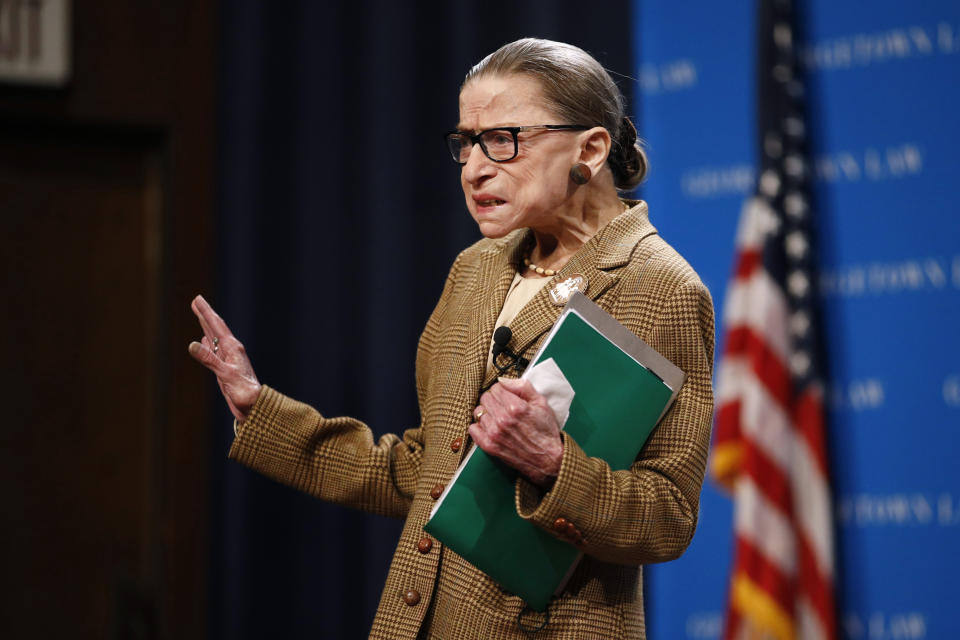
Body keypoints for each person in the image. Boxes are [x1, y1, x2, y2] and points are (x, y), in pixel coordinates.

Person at [189, 37, 714, 640]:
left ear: (590, 149)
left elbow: (668, 518)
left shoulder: (660, 287)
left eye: (503, 140)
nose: (474, 168)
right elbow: (427, 469)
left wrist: (554, 464)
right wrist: (263, 411)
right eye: (466, 143)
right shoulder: (477, 269)